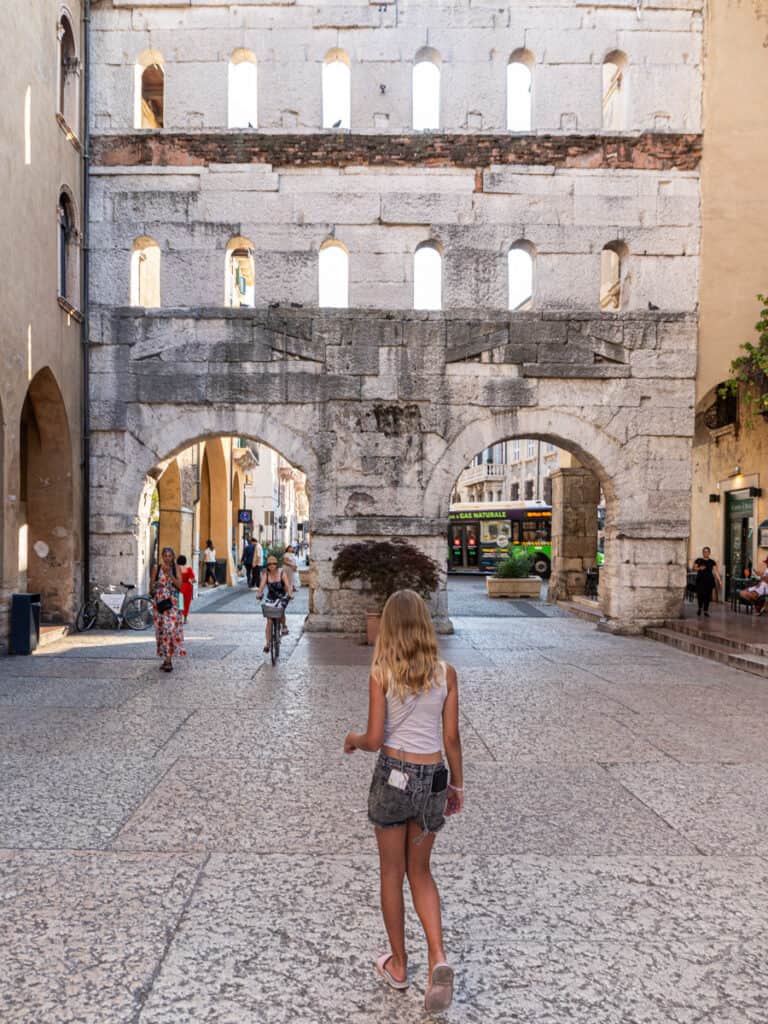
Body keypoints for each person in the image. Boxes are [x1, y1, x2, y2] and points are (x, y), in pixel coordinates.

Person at [343, 589, 464, 1014]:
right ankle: (438, 957)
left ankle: (398, 964)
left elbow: (375, 739)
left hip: (394, 778)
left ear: (390, 627)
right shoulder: (446, 673)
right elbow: (451, 738)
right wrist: (457, 787)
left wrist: (354, 740)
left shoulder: (382, 671)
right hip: (433, 779)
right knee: (422, 872)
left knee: (392, 873)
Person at [150, 546, 186, 672]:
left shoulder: (175, 568)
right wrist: (155, 587)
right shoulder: (156, 568)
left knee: (169, 630)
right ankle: (166, 658)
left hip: (172, 604)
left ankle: (168, 661)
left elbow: (180, 586)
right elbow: (151, 588)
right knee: (161, 631)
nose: (167, 558)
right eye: (165, 556)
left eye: (169, 556)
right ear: (162, 556)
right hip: (160, 604)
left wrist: (169, 574)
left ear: (173, 557)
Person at [255, 554, 292, 651]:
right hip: (270, 598)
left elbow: (287, 585)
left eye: (274, 564)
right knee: (269, 621)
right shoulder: (265, 575)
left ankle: (284, 626)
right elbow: (261, 586)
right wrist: (259, 594)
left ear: (277, 564)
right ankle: (267, 644)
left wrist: (289, 593)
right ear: (267, 565)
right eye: (269, 564)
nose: (272, 565)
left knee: (281, 610)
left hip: (282, 597)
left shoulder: (282, 573)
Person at [692, 546, 722, 617]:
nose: (706, 553)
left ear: (709, 553)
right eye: (704, 552)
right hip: (700, 580)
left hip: (709, 581)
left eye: (707, 552)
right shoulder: (698, 560)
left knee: (707, 596)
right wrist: (699, 568)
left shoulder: (712, 562)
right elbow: (693, 568)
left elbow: (716, 572)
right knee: (700, 595)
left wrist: (720, 581)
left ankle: (705, 610)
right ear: (703, 553)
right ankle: (699, 608)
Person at [176, 555, 195, 624]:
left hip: (179, 587)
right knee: (186, 603)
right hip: (188, 587)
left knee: (180, 603)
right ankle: (185, 619)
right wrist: (191, 580)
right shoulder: (189, 569)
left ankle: (179, 618)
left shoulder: (176, 570)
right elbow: (193, 579)